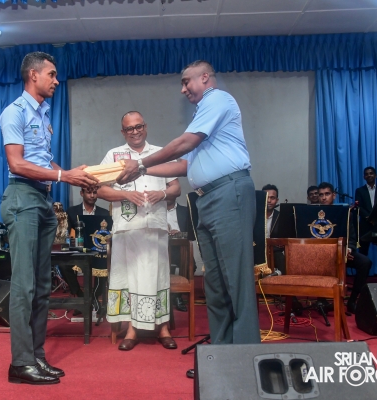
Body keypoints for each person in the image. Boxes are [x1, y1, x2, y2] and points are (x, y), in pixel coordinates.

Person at [116, 61, 260, 373]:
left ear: (205, 77)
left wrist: (141, 165)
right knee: (215, 283)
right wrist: (140, 171)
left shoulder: (217, 100)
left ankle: (246, 363)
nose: (183, 89)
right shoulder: (202, 117)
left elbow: (184, 143)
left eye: (186, 82)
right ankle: (221, 359)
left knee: (236, 280)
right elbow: (184, 165)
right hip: (207, 199)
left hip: (229, 193)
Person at [0, 51, 97, 386]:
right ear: (33, 75)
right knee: (24, 286)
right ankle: (20, 363)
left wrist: (70, 173)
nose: (56, 80)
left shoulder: (42, 113)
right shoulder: (14, 112)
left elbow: (43, 162)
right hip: (22, 197)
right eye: (51, 74)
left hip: (42, 200)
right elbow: (17, 163)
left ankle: (36, 357)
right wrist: (63, 176)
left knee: (42, 286)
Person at [97, 111, 181, 351]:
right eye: (129, 128)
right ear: (123, 132)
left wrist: (162, 194)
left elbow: (176, 187)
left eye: (138, 126)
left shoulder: (161, 154)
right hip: (127, 228)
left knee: (159, 275)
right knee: (129, 276)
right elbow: (100, 189)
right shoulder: (114, 156)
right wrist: (125, 194)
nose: (135, 131)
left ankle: (162, 328)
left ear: (145, 127)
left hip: (155, 225)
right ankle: (132, 328)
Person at [318, 182, 372, 313]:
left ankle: (352, 301)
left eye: (327, 194)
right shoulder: (313, 213)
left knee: (365, 263)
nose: (324, 197)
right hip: (320, 254)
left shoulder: (345, 213)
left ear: (334, 195)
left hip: (342, 252)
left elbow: (352, 238)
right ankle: (322, 301)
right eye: (321, 195)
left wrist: (348, 250)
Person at [59, 187, 109, 301]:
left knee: (105, 264)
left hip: (98, 252)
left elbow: (107, 235)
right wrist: (74, 243)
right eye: (89, 192)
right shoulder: (72, 211)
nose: (92, 195)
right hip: (79, 252)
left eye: (94, 192)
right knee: (63, 265)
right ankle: (80, 295)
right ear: (82, 193)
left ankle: (95, 297)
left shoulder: (104, 213)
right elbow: (67, 234)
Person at [166, 195, 197, 312]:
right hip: (161, 249)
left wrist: (179, 233)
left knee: (191, 265)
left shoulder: (185, 211)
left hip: (180, 248)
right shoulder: (155, 212)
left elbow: (192, 232)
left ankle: (177, 296)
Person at [354, 167, 377, 256]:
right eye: (366, 174)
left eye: (371, 173)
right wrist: (369, 218)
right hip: (365, 225)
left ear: (375, 175)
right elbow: (359, 206)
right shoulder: (360, 191)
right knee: (363, 252)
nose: (369, 175)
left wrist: (375, 218)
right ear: (364, 177)